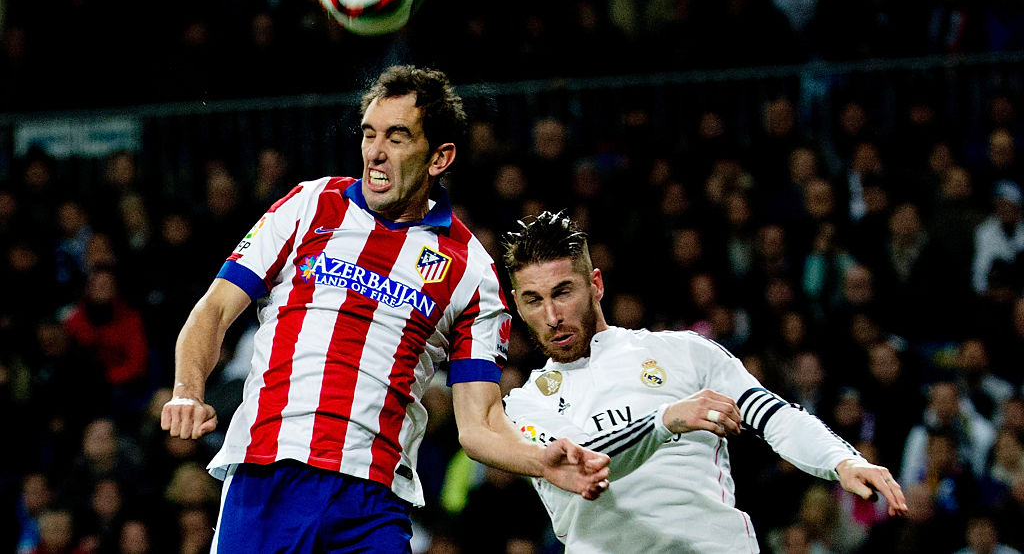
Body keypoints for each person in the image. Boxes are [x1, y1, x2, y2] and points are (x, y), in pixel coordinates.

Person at [160, 66, 610, 553]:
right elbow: (212, 311)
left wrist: (538, 460)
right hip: (269, 477)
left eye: (397, 137)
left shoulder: (470, 271)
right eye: (370, 134)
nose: (375, 151)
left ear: (440, 157)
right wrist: (187, 389)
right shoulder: (310, 204)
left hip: (373, 505)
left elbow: (479, 424)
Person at [501, 210, 908, 553]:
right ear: (518, 305)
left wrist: (842, 461)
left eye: (563, 292)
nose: (552, 316)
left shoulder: (685, 352)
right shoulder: (523, 405)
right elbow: (581, 465)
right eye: (535, 300)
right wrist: (666, 420)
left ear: (596, 285)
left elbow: (774, 415)